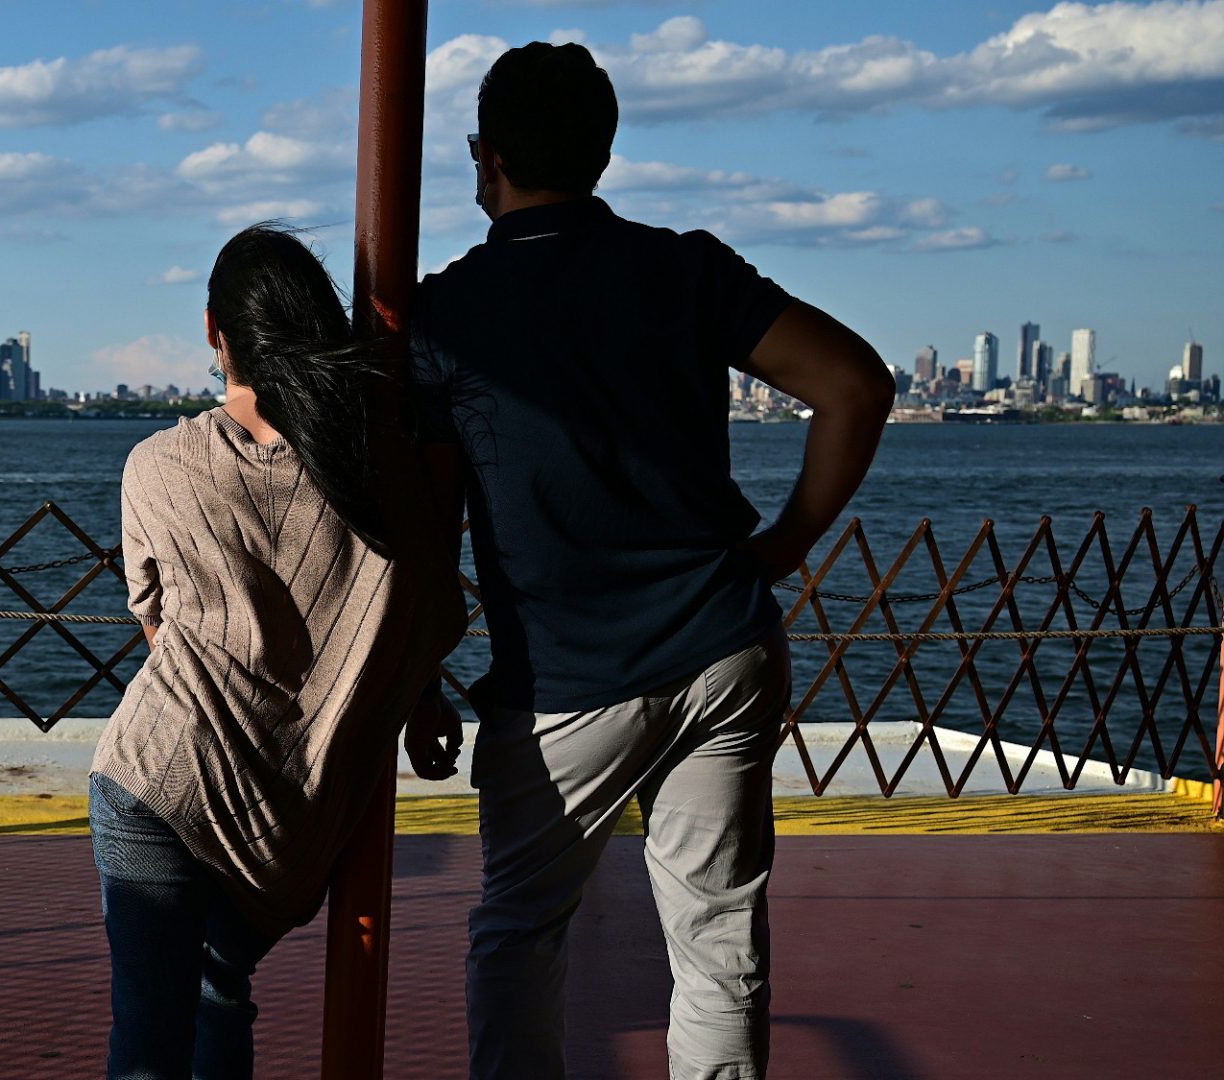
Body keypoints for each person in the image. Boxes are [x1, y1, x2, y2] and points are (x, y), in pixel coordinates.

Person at [405, 42, 896, 1080]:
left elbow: (431, 531)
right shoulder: (685, 269)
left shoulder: (447, 312)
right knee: (718, 943)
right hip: (723, 649)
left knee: (519, 931)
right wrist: (781, 548)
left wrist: (417, 685)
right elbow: (854, 384)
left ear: (481, 155)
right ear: (606, 152)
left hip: (562, 689)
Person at [89, 223, 466, 1080]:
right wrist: (424, 697)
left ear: (215, 331)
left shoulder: (159, 465)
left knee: (147, 1038)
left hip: (156, 778)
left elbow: (158, 633)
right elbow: (419, 609)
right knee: (219, 997)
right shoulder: (378, 468)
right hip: (291, 814)